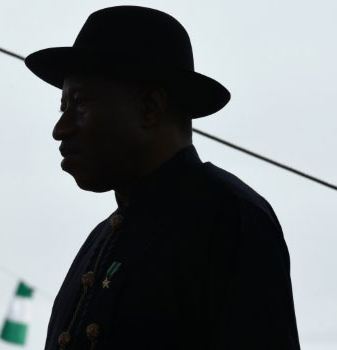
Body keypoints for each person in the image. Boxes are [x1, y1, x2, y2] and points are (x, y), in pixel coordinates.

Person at [24, 6, 300, 350]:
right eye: (62, 107)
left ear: (150, 107)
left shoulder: (228, 216)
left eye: (79, 103)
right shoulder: (103, 240)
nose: (60, 129)